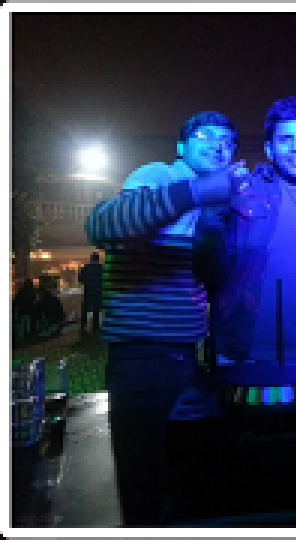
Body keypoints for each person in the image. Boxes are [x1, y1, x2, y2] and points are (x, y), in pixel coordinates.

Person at [85, 111, 243, 525]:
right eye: (205, 136)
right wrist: (197, 190)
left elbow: (212, 279)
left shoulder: (213, 207)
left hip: (186, 359)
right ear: (181, 147)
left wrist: (217, 221)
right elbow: (102, 224)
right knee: (147, 486)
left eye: (227, 140)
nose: (218, 145)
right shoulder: (159, 175)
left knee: (182, 483)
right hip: (141, 360)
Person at [194, 97, 296, 393]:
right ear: (269, 150)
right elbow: (209, 271)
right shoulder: (242, 191)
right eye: (285, 140)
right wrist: (211, 215)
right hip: (240, 354)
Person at [78, 251, 103, 336]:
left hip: (88, 291)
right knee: (96, 310)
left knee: (85, 308)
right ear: (98, 259)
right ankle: (95, 327)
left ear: (91, 259)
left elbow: (80, 279)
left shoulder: (85, 268)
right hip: (98, 292)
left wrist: (87, 282)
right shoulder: (102, 268)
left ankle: (83, 325)